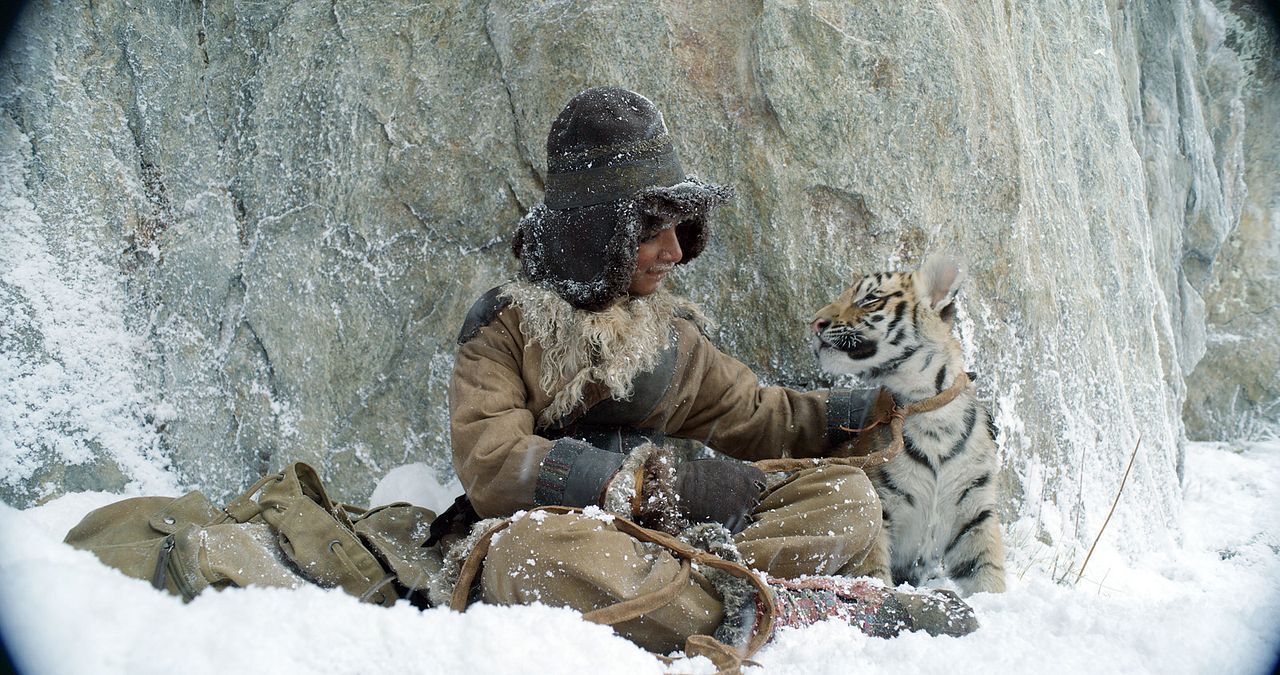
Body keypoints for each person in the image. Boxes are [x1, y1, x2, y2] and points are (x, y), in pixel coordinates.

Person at [443, 86, 975, 655]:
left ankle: (715, 604)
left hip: (673, 543)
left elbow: (751, 412)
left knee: (844, 495)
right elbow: (494, 464)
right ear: (597, 234)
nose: (674, 251)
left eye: (680, 229)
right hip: (576, 538)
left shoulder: (668, 337)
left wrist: (877, 408)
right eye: (652, 232)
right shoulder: (504, 328)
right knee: (526, 556)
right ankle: (788, 608)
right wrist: (662, 485)